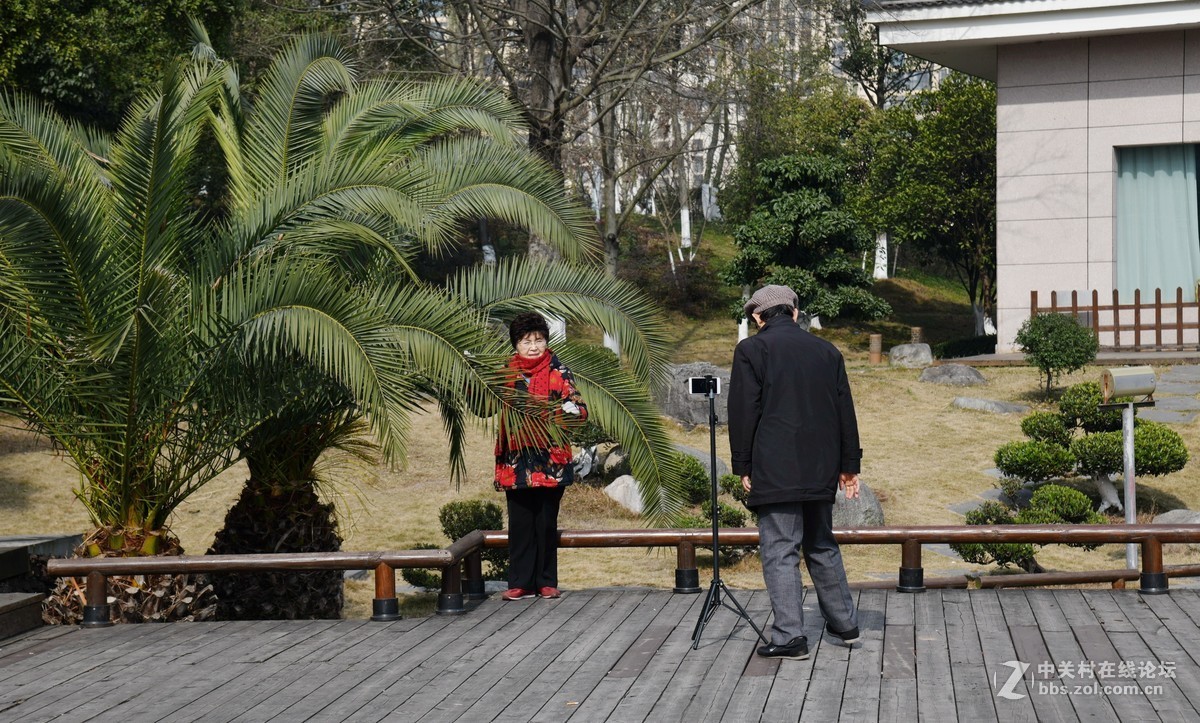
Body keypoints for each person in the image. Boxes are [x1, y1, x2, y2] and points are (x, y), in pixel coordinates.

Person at [728, 284, 862, 660]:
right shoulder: (827, 351)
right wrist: (849, 466)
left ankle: (790, 636)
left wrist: (743, 464)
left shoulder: (752, 349)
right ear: (795, 313)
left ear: (758, 317)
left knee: (780, 549)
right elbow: (844, 412)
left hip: (775, 465)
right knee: (821, 542)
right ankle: (845, 624)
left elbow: (743, 412)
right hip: (821, 465)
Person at [494, 311, 587, 601]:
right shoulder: (505, 372)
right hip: (517, 461)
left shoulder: (559, 371)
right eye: (526, 341)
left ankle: (546, 581)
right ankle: (520, 582)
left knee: (545, 523)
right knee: (520, 524)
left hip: (550, 461)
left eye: (539, 340)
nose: (534, 346)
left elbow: (580, 411)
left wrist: (566, 411)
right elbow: (481, 406)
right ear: (516, 345)